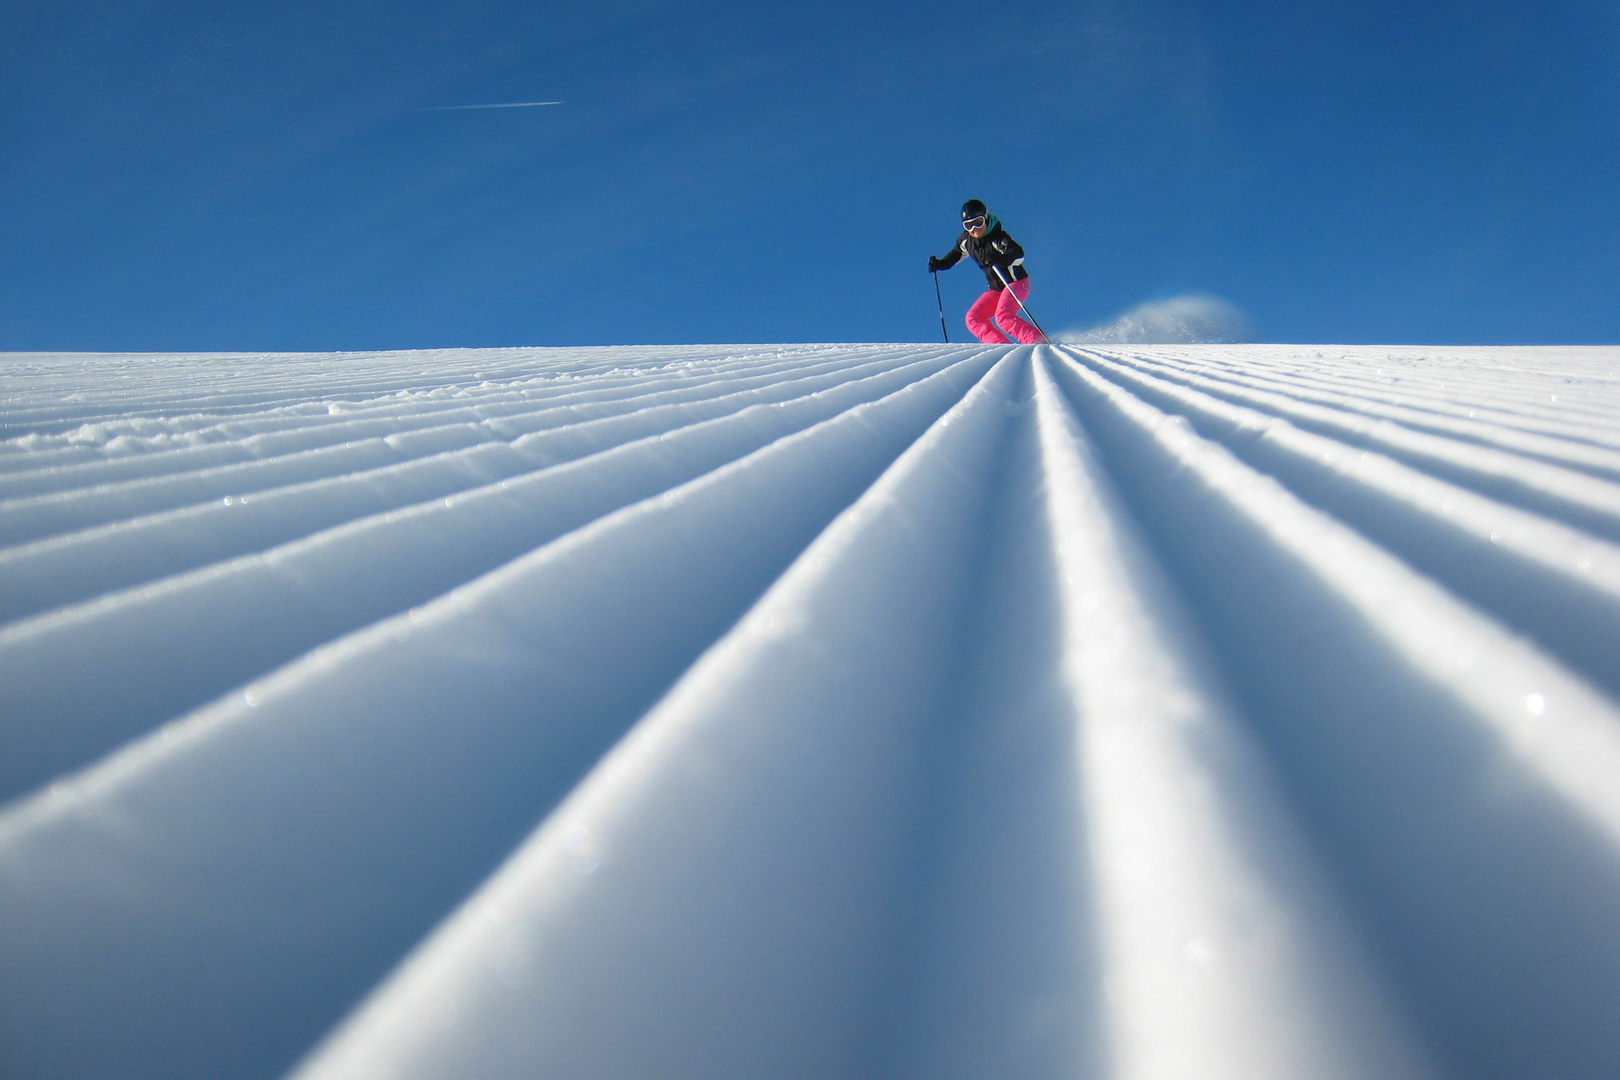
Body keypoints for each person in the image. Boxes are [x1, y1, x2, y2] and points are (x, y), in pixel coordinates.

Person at [928, 199, 1044, 345]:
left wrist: (998, 259)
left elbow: (1018, 254)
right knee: (973, 317)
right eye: (968, 225)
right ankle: (1000, 347)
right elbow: (955, 256)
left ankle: (1037, 342)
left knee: (1003, 317)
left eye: (978, 222)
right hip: (996, 289)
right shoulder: (967, 241)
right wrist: (939, 264)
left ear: (986, 218)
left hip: (1015, 283)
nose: (974, 229)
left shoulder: (997, 237)